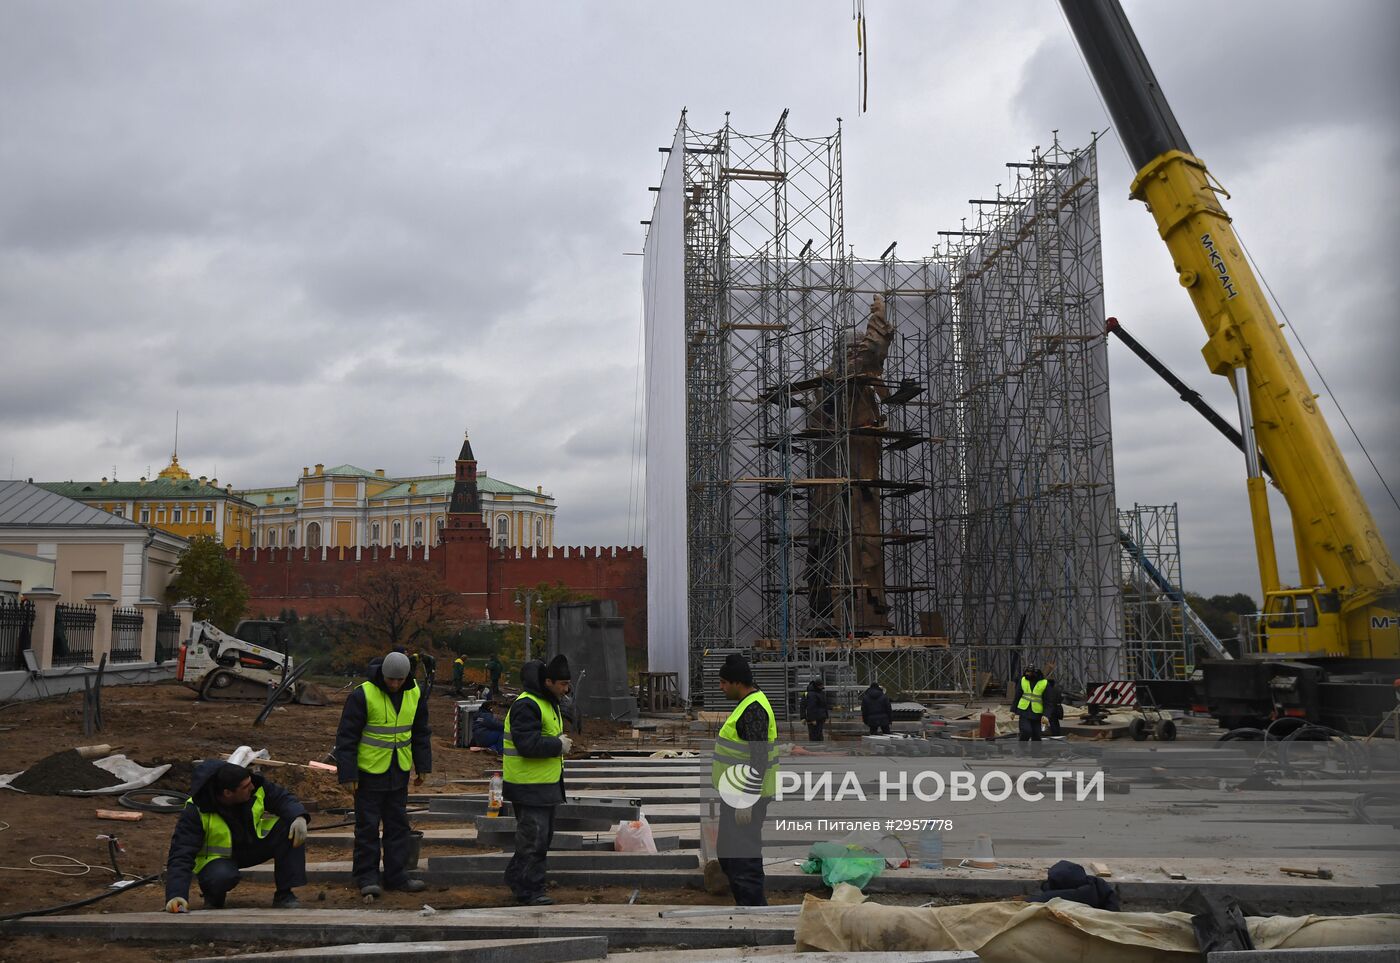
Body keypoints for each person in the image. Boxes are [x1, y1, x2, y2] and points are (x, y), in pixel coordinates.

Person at [334, 650, 432, 897]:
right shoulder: (363, 695)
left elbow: (421, 732)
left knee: (398, 826)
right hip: (369, 773)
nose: (395, 684)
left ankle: (396, 876)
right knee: (367, 828)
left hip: (398, 771)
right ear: (383, 675)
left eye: (400, 680)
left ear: (407, 677)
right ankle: (367, 877)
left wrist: (423, 766)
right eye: (391, 680)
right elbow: (346, 738)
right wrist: (348, 774)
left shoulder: (415, 693)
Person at [163, 761, 309, 912]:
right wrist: (176, 895)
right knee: (221, 876)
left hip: (251, 846)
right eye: (245, 787)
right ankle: (213, 896)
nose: (251, 787)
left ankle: (284, 895)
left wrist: (299, 817)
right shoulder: (196, 810)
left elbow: (282, 799)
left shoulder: (256, 786)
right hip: (217, 860)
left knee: (289, 828)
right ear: (228, 793)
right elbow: (181, 853)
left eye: (250, 783)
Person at [502, 654, 573, 905]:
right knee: (533, 839)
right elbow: (527, 744)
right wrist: (557, 745)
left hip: (544, 784)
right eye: (563, 684)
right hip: (528, 785)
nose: (567, 689)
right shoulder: (527, 705)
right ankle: (528, 889)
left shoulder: (547, 703)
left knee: (540, 839)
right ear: (548, 682)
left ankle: (519, 879)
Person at [712, 652, 778, 906]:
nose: (721, 687)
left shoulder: (753, 711)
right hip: (736, 794)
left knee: (743, 858)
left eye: (723, 682)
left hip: (745, 797)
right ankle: (746, 899)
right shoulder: (748, 705)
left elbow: (759, 758)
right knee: (729, 855)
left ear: (737, 683)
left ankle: (754, 913)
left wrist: (747, 800)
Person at [1015, 666, 1048, 744]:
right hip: (1024, 710)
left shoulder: (1044, 683)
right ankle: (1022, 748)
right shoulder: (1023, 680)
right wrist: (1013, 710)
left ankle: (1036, 754)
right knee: (1026, 731)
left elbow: (1048, 701)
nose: (1027, 674)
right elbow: (1017, 696)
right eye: (1026, 672)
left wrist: (1046, 715)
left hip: (1037, 713)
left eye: (1029, 672)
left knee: (1036, 735)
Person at [801, 678, 829, 742]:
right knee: (814, 735)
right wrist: (812, 719)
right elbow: (810, 707)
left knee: (819, 735)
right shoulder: (811, 694)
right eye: (821, 686)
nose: (822, 687)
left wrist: (826, 716)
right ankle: (815, 749)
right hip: (814, 719)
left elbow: (824, 705)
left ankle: (819, 749)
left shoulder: (820, 692)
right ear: (817, 686)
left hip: (820, 718)